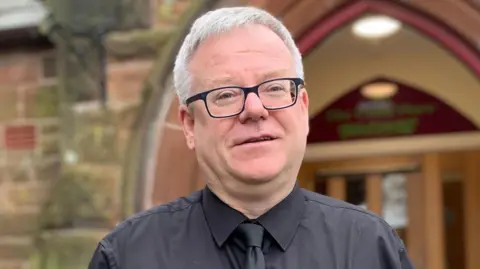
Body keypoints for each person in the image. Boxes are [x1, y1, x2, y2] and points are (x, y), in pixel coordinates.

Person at [88, 6, 414, 269]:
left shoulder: (369, 248)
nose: (254, 109)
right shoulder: (127, 256)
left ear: (302, 107)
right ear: (189, 125)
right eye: (226, 94)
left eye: (274, 88)